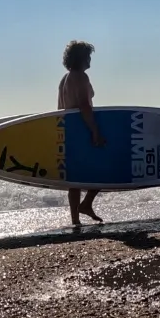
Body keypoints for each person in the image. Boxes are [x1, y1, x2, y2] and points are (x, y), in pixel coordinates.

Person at [59, 39, 106, 225]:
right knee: (102, 170)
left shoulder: (64, 79)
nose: (90, 60)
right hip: (82, 129)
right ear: (81, 57)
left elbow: (61, 109)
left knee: (75, 179)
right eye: (88, 56)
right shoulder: (80, 77)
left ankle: (75, 220)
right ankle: (86, 204)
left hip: (69, 132)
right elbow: (85, 106)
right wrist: (95, 131)